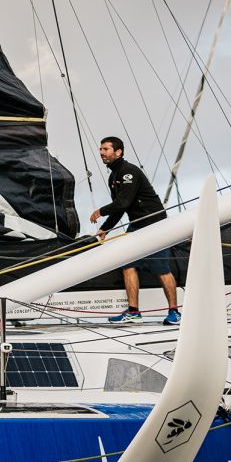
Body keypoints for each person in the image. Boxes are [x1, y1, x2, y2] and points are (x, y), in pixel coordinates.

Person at [87, 136, 180, 325]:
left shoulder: (129, 171)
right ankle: (134, 312)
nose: (101, 153)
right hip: (137, 224)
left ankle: (174, 312)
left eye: (106, 149)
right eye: (101, 149)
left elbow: (123, 202)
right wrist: (105, 228)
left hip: (155, 224)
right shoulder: (113, 176)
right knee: (127, 264)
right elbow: (121, 208)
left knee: (161, 269)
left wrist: (100, 212)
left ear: (118, 152)